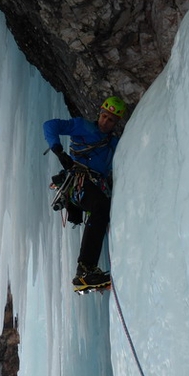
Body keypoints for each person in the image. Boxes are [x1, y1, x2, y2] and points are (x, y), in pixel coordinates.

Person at [43, 96, 127, 288]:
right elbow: (50, 126)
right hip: (78, 183)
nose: (106, 121)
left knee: (101, 210)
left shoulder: (113, 142)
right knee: (100, 207)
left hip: (96, 185)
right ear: (100, 113)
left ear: (116, 123)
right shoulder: (83, 126)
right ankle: (85, 270)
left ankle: (88, 269)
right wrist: (58, 151)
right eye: (104, 116)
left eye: (111, 119)